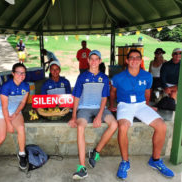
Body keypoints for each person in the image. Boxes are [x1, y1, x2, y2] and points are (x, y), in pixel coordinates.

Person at [109, 49, 174, 180]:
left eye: (137, 57)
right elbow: (112, 93)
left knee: (161, 126)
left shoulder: (147, 76)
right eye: (131, 58)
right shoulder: (118, 77)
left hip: (141, 105)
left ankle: (155, 160)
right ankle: (125, 162)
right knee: (122, 127)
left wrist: (148, 105)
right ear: (127, 60)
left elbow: (147, 92)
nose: (134, 60)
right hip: (125, 104)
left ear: (141, 60)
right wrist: (112, 105)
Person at [68, 50, 118, 180]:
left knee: (114, 124)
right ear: (88, 61)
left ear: (100, 61)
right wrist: (74, 116)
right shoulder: (82, 77)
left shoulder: (104, 78)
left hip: (99, 108)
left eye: (97, 59)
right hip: (84, 108)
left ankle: (96, 152)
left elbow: (104, 99)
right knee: (80, 127)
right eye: (92, 59)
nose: (94, 61)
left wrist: (99, 115)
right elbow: (77, 97)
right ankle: (82, 167)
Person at [0, 63, 29, 169]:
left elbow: (22, 103)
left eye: (23, 73)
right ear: (13, 73)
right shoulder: (6, 86)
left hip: (15, 111)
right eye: (18, 73)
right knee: (1, 137)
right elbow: (4, 107)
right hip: (1, 111)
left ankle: (22, 154)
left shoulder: (26, 86)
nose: (21, 75)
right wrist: (8, 123)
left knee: (21, 128)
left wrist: (16, 114)